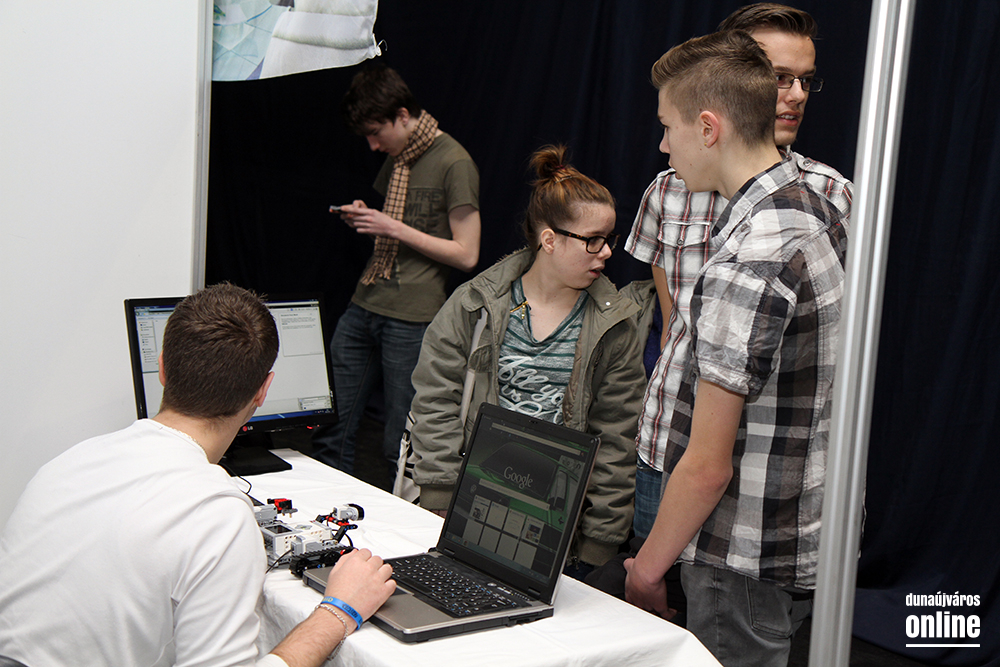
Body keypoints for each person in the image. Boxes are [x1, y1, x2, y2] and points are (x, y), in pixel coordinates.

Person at [0, 283, 396, 667]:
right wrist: (338, 611)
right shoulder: (217, 517)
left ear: (162, 368)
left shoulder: (66, 464)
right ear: (263, 391)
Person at [623, 30, 848, 667]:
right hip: (784, 531)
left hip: (736, 549)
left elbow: (707, 466)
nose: (663, 145)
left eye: (667, 127)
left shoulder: (750, 258)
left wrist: (647, 570)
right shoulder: (812, 208)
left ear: (708, 128)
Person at [408, 145, 646, 574]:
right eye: (593, 240)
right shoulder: (476, 305)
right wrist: (440, 491)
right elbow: (435, 399)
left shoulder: (614, 327)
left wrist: (598, 544)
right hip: (468, 506)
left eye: (609, 239)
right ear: (549, 240)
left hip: (556, 528)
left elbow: (617, 440)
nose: (607, 252)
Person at [312, 64, 481, 481]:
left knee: (399, 445)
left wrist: (391, 227)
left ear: (403, 116)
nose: (372, 145)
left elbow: (467, 254)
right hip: (366, 300)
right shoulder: (400, 158)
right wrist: (368, 217)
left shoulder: (455, 162)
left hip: (412, 318)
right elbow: (399, 222)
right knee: (330, 427)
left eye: (375, 133)